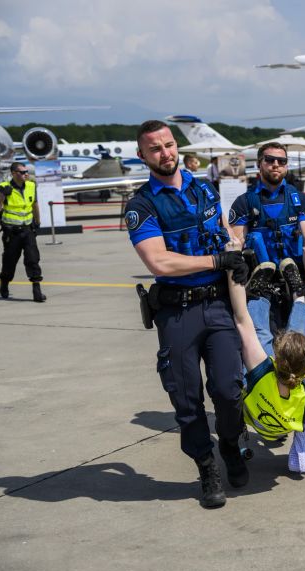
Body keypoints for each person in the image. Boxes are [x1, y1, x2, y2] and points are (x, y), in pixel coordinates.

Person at [124, 120, 251, 508]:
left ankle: (230, 443)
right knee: (187, 398)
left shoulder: (203, 188)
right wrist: (215, 258)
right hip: (178, 313)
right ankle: (206, 464)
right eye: (155, 149)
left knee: (230, 390)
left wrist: (239, 252)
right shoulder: (141, 204)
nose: (165, 153)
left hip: (217, 305)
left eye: (168, 144)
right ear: (143, 156)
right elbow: (159, 262)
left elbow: (225, 230)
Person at [228, 256, 305, 474]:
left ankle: (259, 296)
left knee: (260, 334)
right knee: (291, 337)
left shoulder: (262, 372)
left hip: (253, 414)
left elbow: (242, 321)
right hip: (279, 424)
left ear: (276, 357)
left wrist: (234, 275)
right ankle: (299, 297)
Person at [230, 142, 305, 341]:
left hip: (292, 284)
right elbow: (236, 248)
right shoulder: (245, 202)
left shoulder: (299, 200)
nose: (276, 164)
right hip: (259, 286)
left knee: (295, 343)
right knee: (262, 341)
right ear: (260, 164)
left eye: (281, 161)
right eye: (270, 160)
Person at [0, 162, 45, 302]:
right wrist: (2, 196)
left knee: (33, 259)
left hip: (28, 230)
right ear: (14, 174)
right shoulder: (4, 187)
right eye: (22, 172)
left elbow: (34, 204)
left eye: (27, 171)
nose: (26, 174)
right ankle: (4, 283)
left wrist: (37, 222)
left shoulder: (31, 185)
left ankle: (37, 289)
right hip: (12, 233)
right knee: (9, 263)